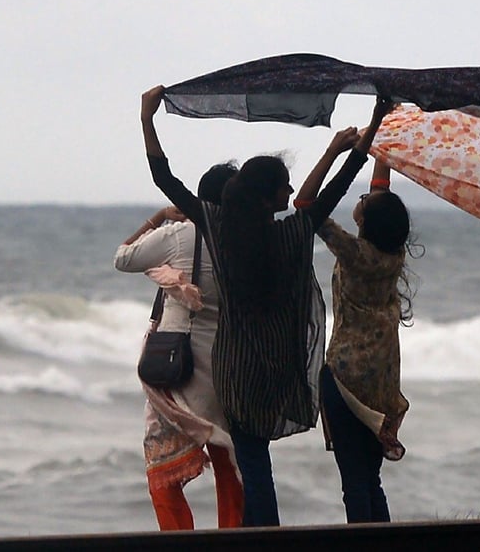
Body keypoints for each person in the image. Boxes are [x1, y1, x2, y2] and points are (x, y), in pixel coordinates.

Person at [139, 85, 395, 526]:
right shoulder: (291, 235)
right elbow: (331, 191)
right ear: (265, 197)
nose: (291, 189)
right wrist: (371, 126)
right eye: (283, 186)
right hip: (275, 368)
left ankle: (263, 536)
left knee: (254, 464)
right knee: (257, 465)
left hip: (235, 370)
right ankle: (263, 534)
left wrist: (147, 119)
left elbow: (167, 182)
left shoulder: (219, 230)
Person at [114, 163, 243, 530]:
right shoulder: (245, 238)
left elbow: (123, 258)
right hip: (224, 365)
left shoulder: (179, 235)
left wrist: (157, 218)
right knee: (227, 459)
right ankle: (233, 536)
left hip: (178, 366)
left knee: (162, 472)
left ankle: (178, 539)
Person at [296, 135, 417, 523]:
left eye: (364, 202)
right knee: (370, 479)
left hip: (346, 378)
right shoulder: (392, 254)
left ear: (365, 220)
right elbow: (381, 186)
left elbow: (304, 204)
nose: (361, 198)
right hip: (381, 379)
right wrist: (382, 132)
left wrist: (333, 151)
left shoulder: (354, 251)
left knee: (353, 482)